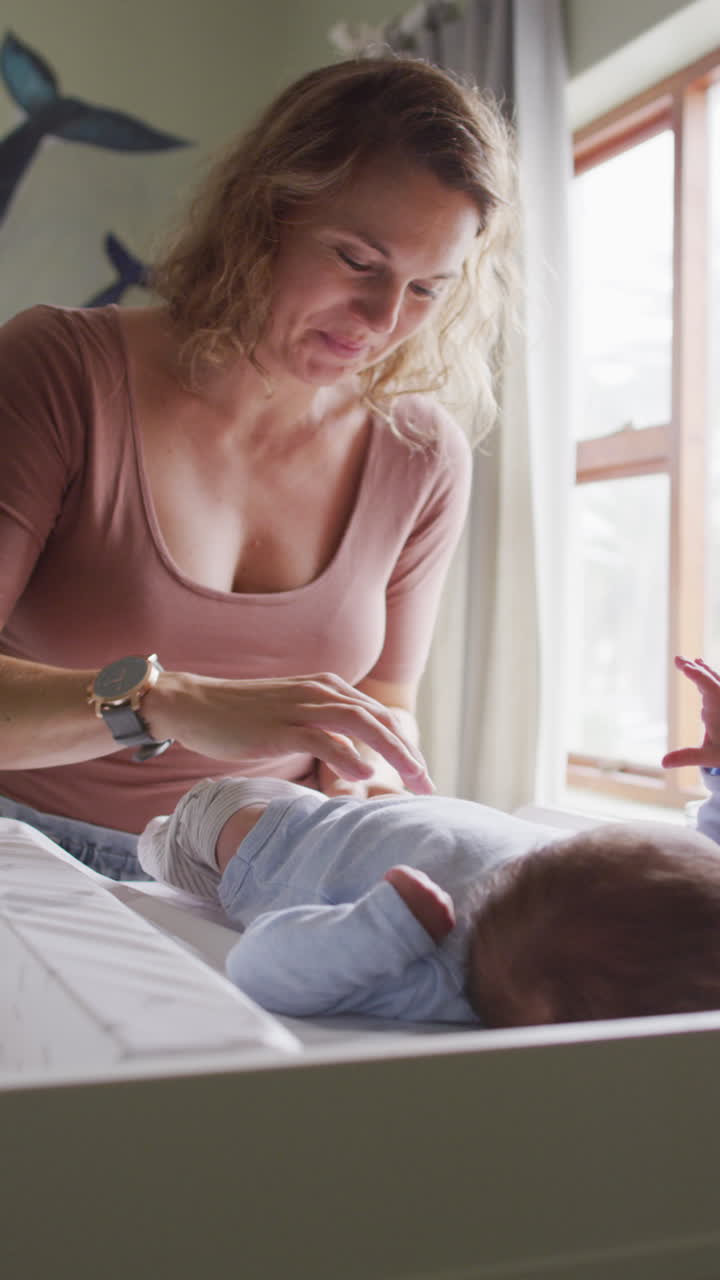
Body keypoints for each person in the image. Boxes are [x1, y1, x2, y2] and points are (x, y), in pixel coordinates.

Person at [0, 57, 518, 878]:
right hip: (28, 856)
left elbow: (383, 705)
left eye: (426, 289)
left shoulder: (421, 456)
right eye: (358, 261)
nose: (384, 320)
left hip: (260, 871)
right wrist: (169, 703)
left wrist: (377, 812)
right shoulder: (57, 370)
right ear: (263, 215)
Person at [137, 652, 720, 1025]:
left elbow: (260, 967)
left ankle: (150, 851)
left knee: (165, 845)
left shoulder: (439, 972)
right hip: (377, 813)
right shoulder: (621, 895)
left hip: (259, 839)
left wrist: (383, 927)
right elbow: (704, 858)